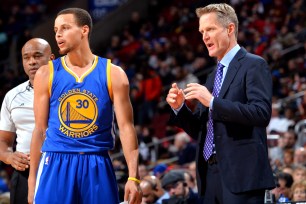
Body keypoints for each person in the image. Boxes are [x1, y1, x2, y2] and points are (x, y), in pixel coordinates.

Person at [27, 8, 142, 204]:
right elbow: (39, 130)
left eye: (65, 28)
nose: (58, 34)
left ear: (84, 30)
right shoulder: (46, 74)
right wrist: (32, 182)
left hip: (97, 162)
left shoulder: (113, 73)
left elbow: (126, 127)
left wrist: (134, 177)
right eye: (56, 30)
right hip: (56, 161)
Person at [166, 3, 275, 203]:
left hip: (242, 176)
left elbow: (261, 113)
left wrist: (213, 102)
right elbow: (201, 130)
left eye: (210, 29)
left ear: (230, 29)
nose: (204, 37)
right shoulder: (212, 76)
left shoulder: (254, 64)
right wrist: (179, 108)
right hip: (209, 175)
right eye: (201, 31)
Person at [0, 38, 54, 204]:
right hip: (25, 171)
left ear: (51, 58)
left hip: (59, 168)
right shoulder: (12, 96)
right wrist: (9, 157)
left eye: (37, 56)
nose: (32, 62)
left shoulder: (67, 91)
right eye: (26, 58)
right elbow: (3, 140)